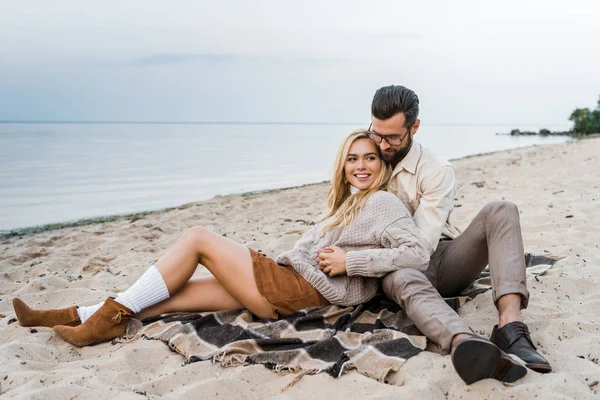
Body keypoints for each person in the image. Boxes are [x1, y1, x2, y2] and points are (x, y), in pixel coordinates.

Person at [12, 130, 434, 353]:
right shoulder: (347, 202)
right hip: (289, 281)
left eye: (370, 158)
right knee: (173, 296)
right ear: (342, 166)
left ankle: (95, 326)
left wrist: (350, 264)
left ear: (382, 164)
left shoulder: (382, 202)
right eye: (353, 158)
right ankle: (70, 315)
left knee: (197, 237)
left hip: (298, 290)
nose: (361, 166)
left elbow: (416, 254)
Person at [366, 85, 551, 384]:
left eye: (392, 137)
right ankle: (464, 342)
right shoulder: (362, 155)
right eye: (377, 133)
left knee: (501, 209)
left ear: (415, 127)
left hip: (436, 256)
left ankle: (510, 328)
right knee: (401, 276)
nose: (383, 145)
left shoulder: (437, 169)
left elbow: (421, 248)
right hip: (392, 267)